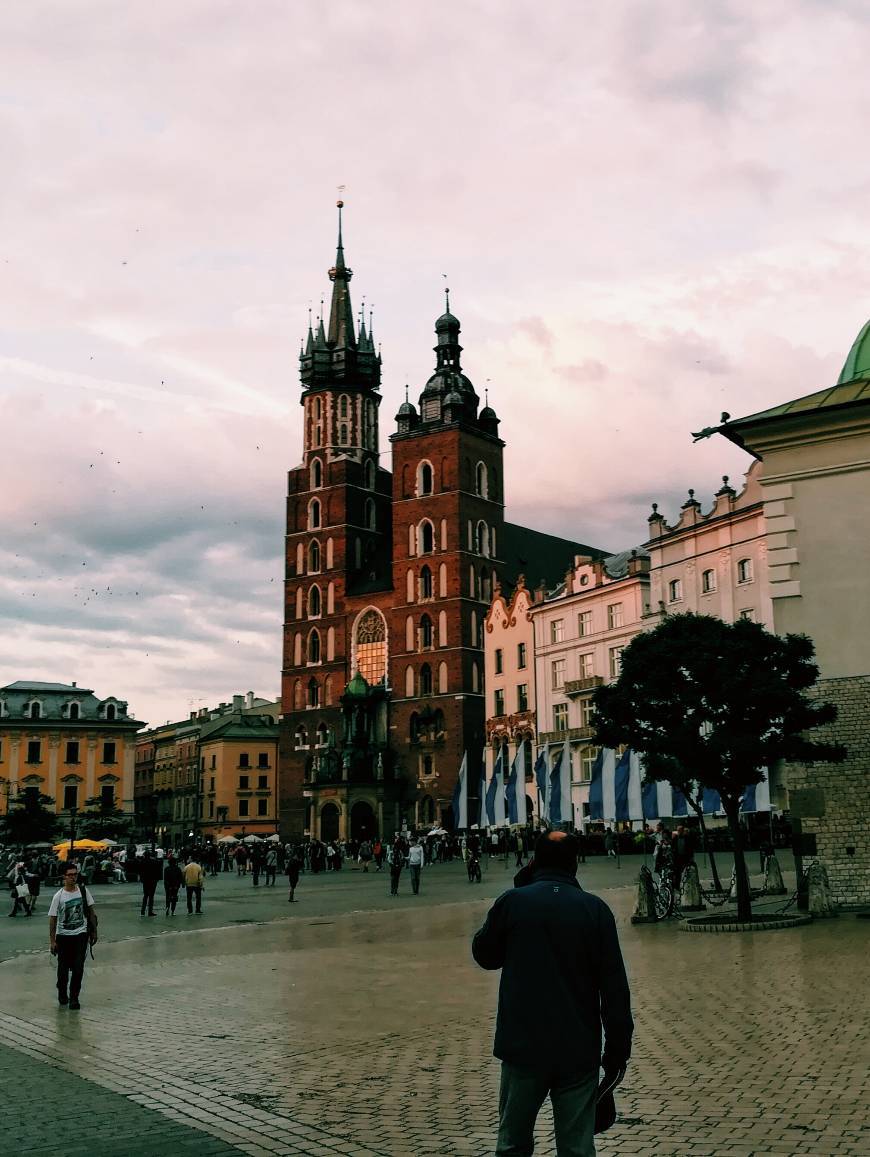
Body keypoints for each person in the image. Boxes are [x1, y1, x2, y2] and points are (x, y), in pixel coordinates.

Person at [472, 831, 633, 1157]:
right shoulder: (595, 910)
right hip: (577, 1049)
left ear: (534, 861)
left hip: (522, 1048)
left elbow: (485, 955)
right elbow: (614, 989)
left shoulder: (514, 903)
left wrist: (519, 892)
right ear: (575, 864)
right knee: (576, 1148)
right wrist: (617, 1052)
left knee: (513, 1144)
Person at [48, 863, 97, 1010]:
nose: (73, 877)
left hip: (80, 935)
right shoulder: (59, 896)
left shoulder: (83, 891)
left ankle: (74, 997)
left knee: (78, 968)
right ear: (64, 877)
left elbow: (91, 911)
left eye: (75, 874)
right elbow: (53, 919)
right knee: (63, 971)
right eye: (70, 875)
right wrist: (52, 941)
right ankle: (62, 991)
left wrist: (94, 931)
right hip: (63, 937)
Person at [138, 850, 161, 916]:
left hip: (145, 880)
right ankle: (150, 911)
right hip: (153, 880)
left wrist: (141, 879)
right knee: (151, 896)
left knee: (145, 895)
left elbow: (140, 871)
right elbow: (158, 870)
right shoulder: (154, 861)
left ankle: (142, 911)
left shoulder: (142, 862)